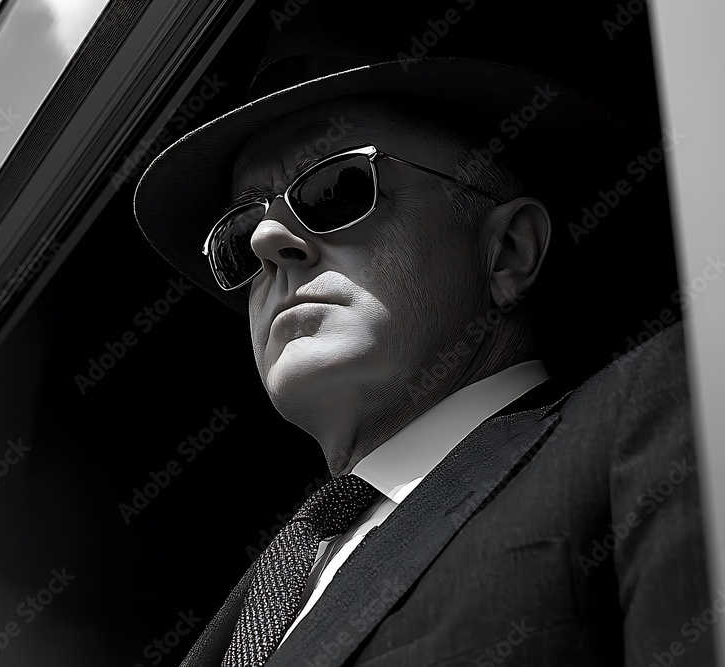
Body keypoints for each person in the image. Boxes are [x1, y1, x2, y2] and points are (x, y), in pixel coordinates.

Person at [132, 8, 716, 667]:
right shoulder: (244, 611)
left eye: (333, 186)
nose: (269, 241)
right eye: (240, 232)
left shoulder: (660, 406)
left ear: (507, 252)